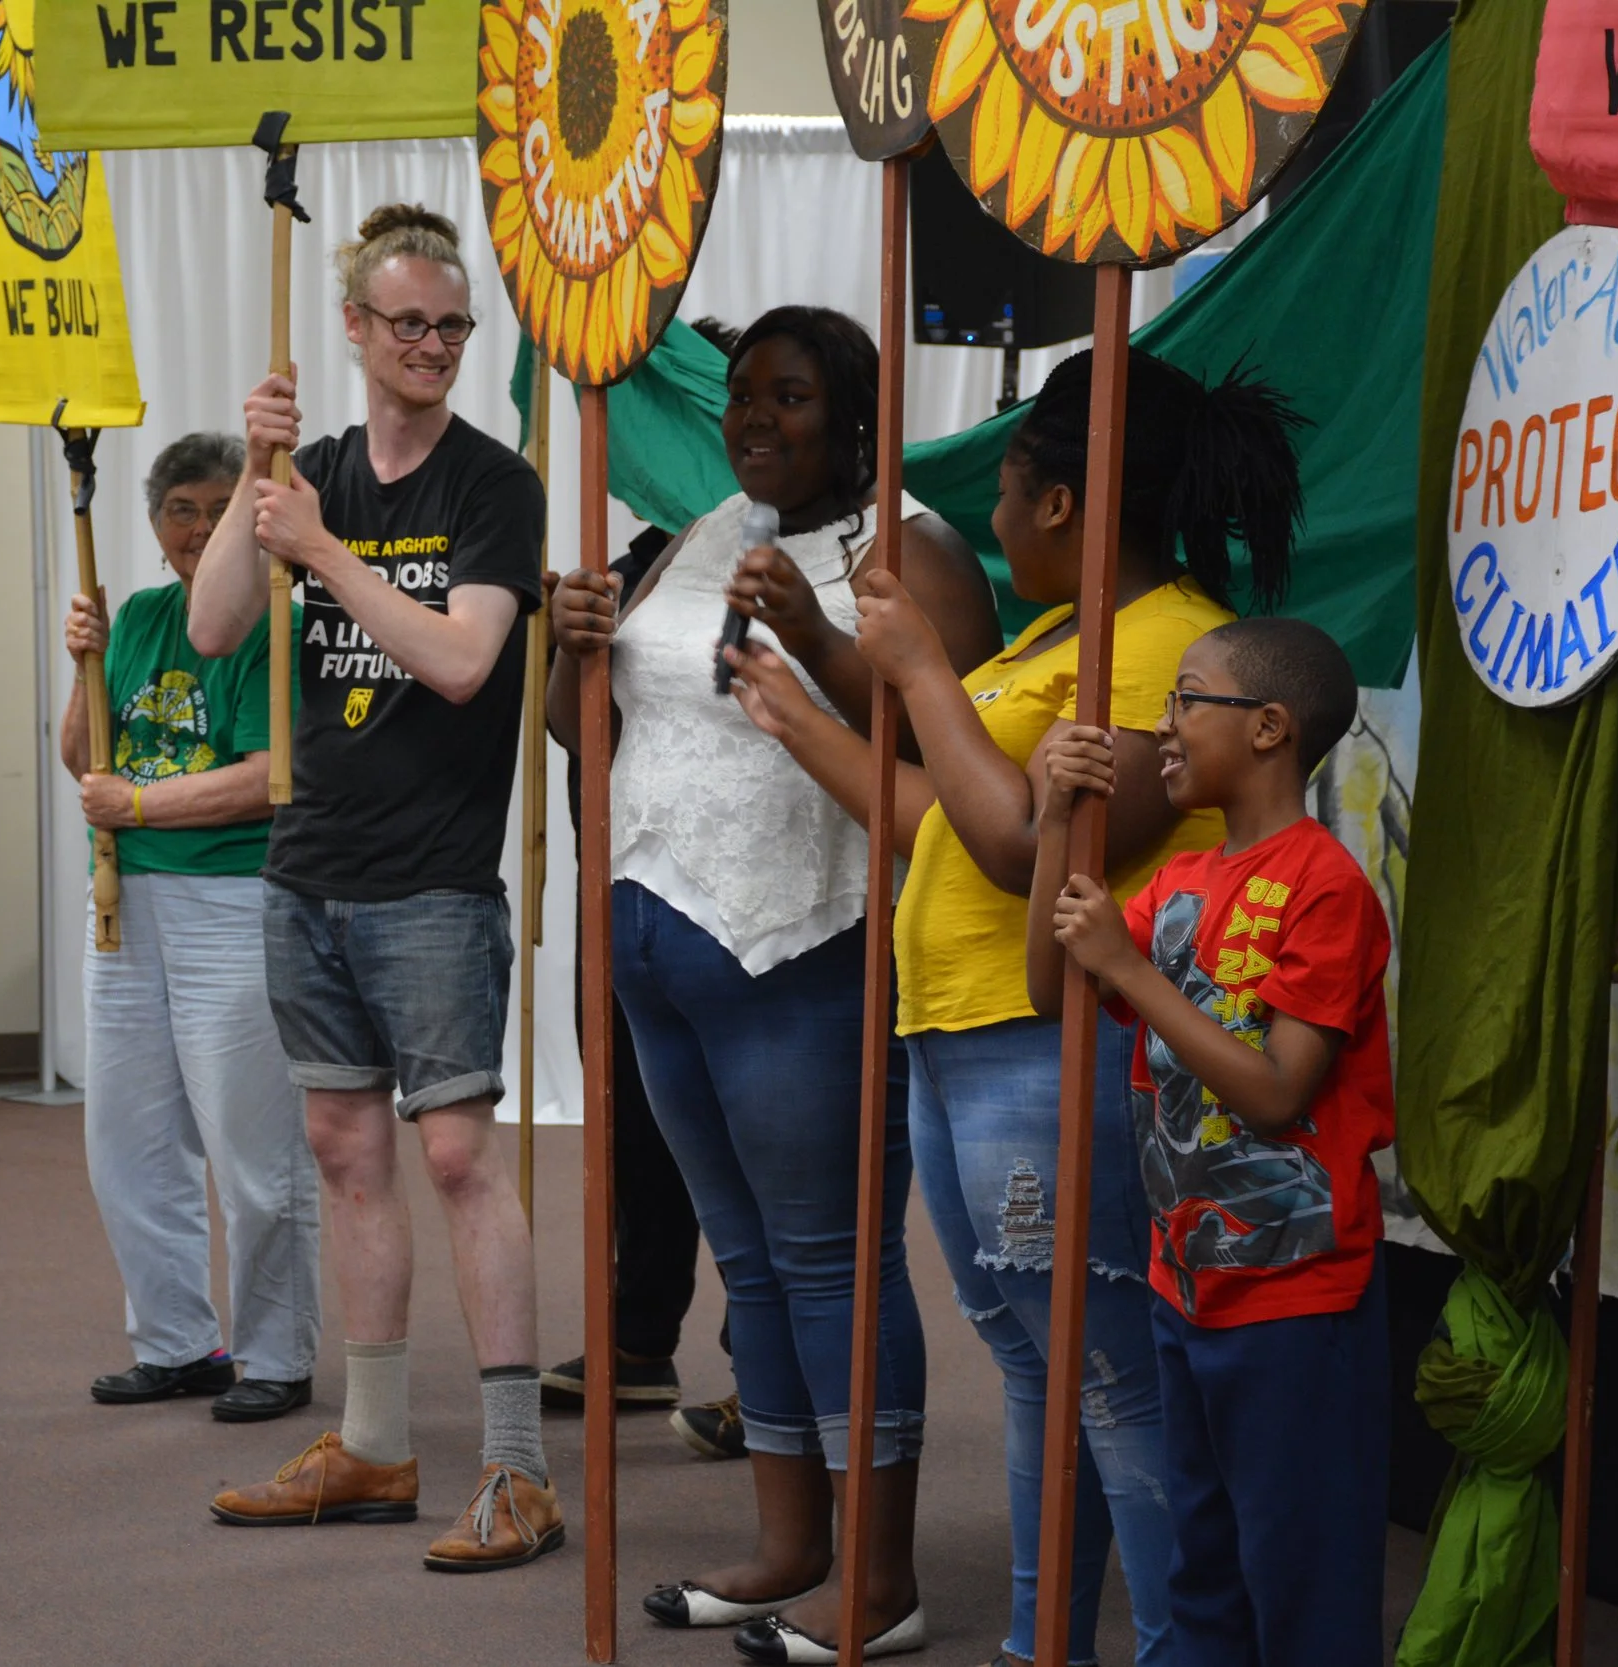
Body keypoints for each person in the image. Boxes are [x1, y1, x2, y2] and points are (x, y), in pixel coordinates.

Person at [724, 347, 1306, 1667]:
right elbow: (946, 814)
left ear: (1054, 502)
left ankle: (1176, 1644)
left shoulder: (1172, 649)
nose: (985, 517)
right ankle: (1047, 1640)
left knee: (1106, 1375)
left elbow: (1022, 850)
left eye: (1002, 489)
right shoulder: (1057, 636)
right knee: (1048, 1370)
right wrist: (813, 687)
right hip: (961, 1036)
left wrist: (924, 665)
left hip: (1054, 1044)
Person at [549, 304, 1003, 1660]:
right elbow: (608, 722)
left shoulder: (910, 549)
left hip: (804, 952)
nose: (756, 419)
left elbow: (958, 760)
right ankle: (790, 1545)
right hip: (660, 953)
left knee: (830, 1263)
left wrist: (815, 628)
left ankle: (879, 1578)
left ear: (857, 413)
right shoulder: (701, 533)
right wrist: (572, 647)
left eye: (790, 397)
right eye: (744, 395)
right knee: (747, 1263)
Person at [192, 206, 559, 1573]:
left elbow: (464, 662)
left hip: (433, 876)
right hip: (311, 864)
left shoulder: (491, 484)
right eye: (409, 322)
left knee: (460, 1153)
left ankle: (517, 1466)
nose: (435, 346)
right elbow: (222, 620)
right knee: (347, 1154)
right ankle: (379, 1440)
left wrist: (331, 554)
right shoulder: (314, 466)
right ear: (353, 327)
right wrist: (257, 478)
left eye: (453, 325)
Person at [1040, 618, 1393, 1666]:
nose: (1166, 722)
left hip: (1298, 1296)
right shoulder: (1183, 881)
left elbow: (1282, 1091)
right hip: (1185, 1283)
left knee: (1304, 1583)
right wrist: (1057, 815)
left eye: (1189, 697)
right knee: (1207, 1576)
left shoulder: (1326, 883)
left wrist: (1135, 972)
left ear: (1270, 727)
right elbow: (1046, 985)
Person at [64, 433, 319, 1423]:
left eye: (222, 509)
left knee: (254, 1149)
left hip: (232, 899)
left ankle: (274, 1354)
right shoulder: (137, 615)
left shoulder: (271, 622)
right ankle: (177, 1342)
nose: (200, 528)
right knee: (125, 1141)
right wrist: (83, 664)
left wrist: (139, 809)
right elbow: (86, 763)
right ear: (154, 517)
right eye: (181, 509)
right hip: (126, 903)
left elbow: (268, 778)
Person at [541, 319, 742, 1455]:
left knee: (747, 1142)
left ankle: (766, 1371)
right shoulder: (626, 559)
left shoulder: (791, 556)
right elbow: (580, 734)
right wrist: (573, 642)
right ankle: (637, 1330)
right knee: (636, 1118)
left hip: (731, 899)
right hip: (618, 889)